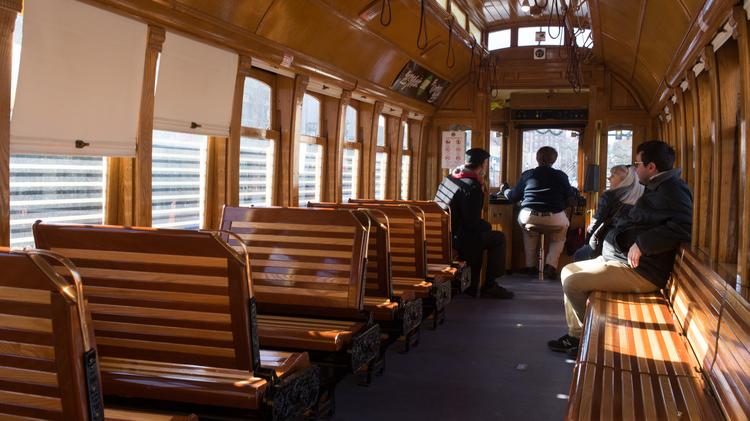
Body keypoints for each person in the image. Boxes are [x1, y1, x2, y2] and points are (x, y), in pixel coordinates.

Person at [548, 140, 692, 356]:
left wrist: (642, 244)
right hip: (622, 259)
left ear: (651, 167)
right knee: (568, 270)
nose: (635, 169)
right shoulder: (658, 188)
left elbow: (685, 225)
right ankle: (577, 335)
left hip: (641, 271)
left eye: (638, 164)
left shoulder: (673, 190)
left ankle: (588, 336)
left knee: (573, 282)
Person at [434, 148, 514, 299]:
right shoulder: (473, 186)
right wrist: (487, 226)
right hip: (462, 238)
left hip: (442, 234)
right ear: (483, 165)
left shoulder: (449, 179)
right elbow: (472, 223)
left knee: (484, 233)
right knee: (498, 238)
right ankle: (490, 284)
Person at [502, 146, 575, 279]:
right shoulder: (561, 175)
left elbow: (513, 197)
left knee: (530, 233)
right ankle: (551, 266)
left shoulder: (528, 174)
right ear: (555, 160)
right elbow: (570, 199)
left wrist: (504, 190)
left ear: (537, 158)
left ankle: (530, 266)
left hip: (529, 217)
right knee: (558, 238)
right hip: (555, 218)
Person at [572, 165, 645, 262]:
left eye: (613, 175)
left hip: (606, 243)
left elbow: (596, 221)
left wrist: (587, 241)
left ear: (624, 180)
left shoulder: (609, 196)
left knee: (578, 255)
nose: (608, 178)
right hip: (626, 248)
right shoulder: (642, 198)